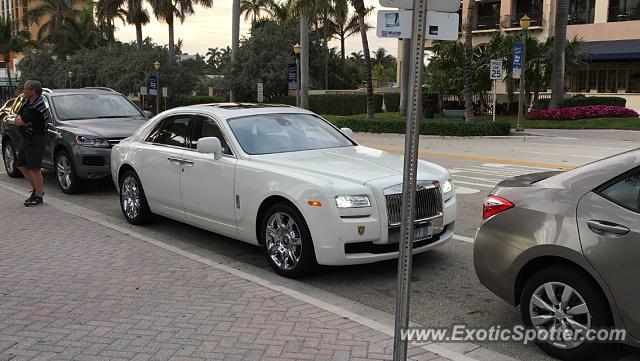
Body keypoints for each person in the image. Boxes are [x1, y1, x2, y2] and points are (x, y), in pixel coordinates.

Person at [15, 80, 49, 207]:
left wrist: (20, 120)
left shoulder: (37, 106)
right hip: (27, 139)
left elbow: (19, 121)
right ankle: (37, 190)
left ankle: (38, 196)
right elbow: (18, 117)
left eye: (26, 89)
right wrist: (20, 119)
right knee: (21, 164)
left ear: (33, 91)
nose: (23, 91)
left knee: (35, 168)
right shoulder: (27, 102)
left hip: (36, 138)